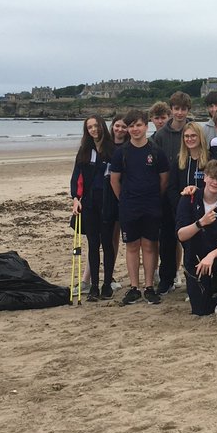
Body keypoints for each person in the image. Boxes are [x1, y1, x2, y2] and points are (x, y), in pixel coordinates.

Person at [109, 109, 170, 305]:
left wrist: (152, 198)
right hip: (129, 207)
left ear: (146, 126)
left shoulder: (156, 152)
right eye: (131, 126)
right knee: (132, 246)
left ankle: (149, 286)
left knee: (150, 246)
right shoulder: (121, 153)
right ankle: (134, 288)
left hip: (151, 205)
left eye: (138, 125)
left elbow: (163, 180)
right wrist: (125, 200)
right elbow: (114, 180)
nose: (135, 129)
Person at [175, 160, 217, 323]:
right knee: (200, 310)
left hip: (216, 258)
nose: (215, 182)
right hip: (196, 260)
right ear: (204, 177)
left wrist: (211, 256)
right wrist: (200, 223)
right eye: (212, 177)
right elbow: (181, 235)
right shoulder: (188, 199)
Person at [69, 116, 113, 301]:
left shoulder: (113, 149)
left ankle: (107, 284)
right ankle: (94, 285)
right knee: (93, 244)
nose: (94, 130)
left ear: (102, 126)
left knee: (108, 244)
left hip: (108, 202)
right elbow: (76, 177)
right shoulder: (84, 151)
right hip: (88, 203)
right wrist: (75, 198)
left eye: (96, 126)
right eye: (90, 127)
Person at [151, 92, 192, 294]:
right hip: (167, 194)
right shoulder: (160, 135)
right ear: (171, 110)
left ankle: (193, 280)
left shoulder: (193, 130)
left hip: (189, 194)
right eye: (176, 108)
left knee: (191, 241)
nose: (180, 112)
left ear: (188, 110)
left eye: (183, 109)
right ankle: (166, 280)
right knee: (166, 240)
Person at [99, 115, 129, 297]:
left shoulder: (128, 147)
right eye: (117, 126)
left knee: (117, 237)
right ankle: (101, 277)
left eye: (123, 126)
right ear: (112, 127)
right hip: (105, 196)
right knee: (105, 239)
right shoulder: (104, 146)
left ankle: (110, 277)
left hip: (123, 195)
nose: (120, 129)